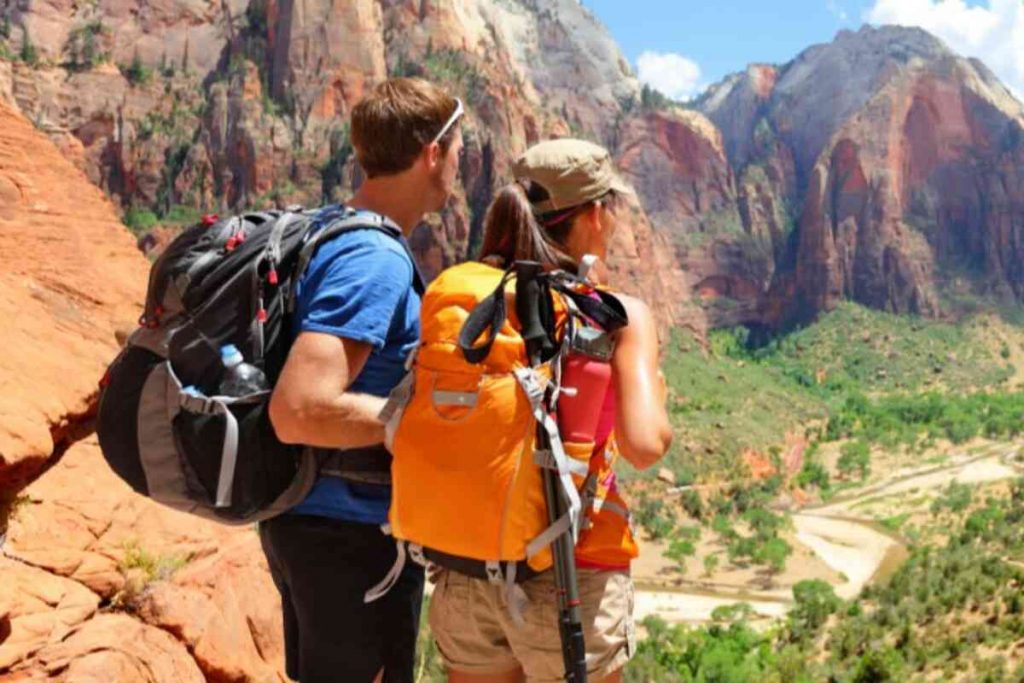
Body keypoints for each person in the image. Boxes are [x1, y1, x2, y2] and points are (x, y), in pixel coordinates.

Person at [427, 139, 673, 683]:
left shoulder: (470, 301)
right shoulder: (616, 315)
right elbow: (645, 444)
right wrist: (654, 390)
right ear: (594, 214)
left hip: (467, 569)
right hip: (572, 576)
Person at [260, 77, 464, 683]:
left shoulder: (333, 228)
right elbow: (297, 409)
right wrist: (421, 420)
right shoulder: (374, 257)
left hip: (313, 525)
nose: (459, 165)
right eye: (458, 151)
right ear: (433, 153)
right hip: (347, 538)